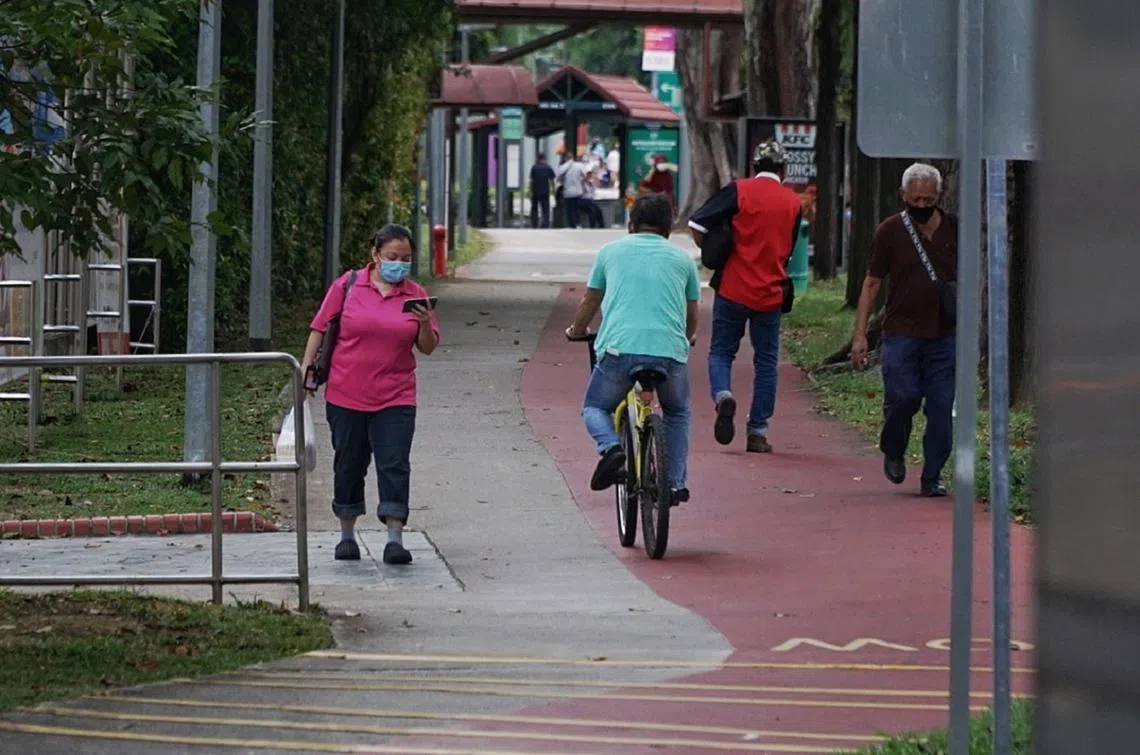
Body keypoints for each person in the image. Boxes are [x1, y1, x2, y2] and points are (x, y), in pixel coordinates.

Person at [301, 224, 440, 564]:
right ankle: (347, 534)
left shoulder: (415, 294)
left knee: (395, 464)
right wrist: (305, 372)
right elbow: (319, 328)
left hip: (396, 396)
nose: (399, 265)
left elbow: (428, 347)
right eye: (392, 257)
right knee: (349, 464)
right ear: (375, 255)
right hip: (346, 394)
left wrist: (424, 322)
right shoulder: (348, 285)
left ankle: (394, 538)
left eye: (405, 259)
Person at [565, 193, 701, 501]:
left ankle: (611, 448)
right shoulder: (684, 260)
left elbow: (590, 300)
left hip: (619, 351)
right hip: (670, 352)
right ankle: (674, 484)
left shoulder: (610, 252)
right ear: (669, 227)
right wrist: (686, 337)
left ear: (631, 224)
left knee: (595, 407)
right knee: (677, 411)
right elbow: (692, 312)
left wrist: (577, 331)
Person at [687, 138, 802, 453]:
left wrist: (713, 249)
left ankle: (723, 394)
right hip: (771, 293)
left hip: (733, 289)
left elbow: (696, 222)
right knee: (766, 362)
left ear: (754, 166)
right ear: (783, 169)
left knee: (721, 352)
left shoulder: (739, 191)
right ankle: (758, 432)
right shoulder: (793, 202)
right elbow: (789, 249)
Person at [851, 163, 957, 497]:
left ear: (939, 196)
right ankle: (894, 449)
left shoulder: (956, 228)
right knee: (903, 398)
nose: (922, 206)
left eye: (929, 200)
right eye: (915, 200)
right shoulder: (890, 231)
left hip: (945, 334)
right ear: (903, 195)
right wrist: (860, 335)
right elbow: (871, 283)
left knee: (941, 407)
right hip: (901, 332)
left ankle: (932, 475)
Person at [557, 153, 587, 229]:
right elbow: (585, 176)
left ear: (565, 158)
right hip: (577, 191)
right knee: (576, 209)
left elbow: (559, 179)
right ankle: (578, 223)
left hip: (567, 192)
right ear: (572, 157)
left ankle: (571, 224)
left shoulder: (562, 167)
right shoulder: (579, 165)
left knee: (569, 210)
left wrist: (564, 182)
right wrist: (581, 182)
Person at [529, 155, 556, 228]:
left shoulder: (534, 167)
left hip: (535, 191)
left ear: (538, 159)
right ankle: (545, 223)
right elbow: (552, 180)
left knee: (534, 208)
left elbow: (531, 180)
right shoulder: (548, 167)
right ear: (544, 159)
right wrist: (553, 190)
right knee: (545, 209)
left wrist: (530, 191)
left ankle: (534, 223)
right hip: (545, 191)